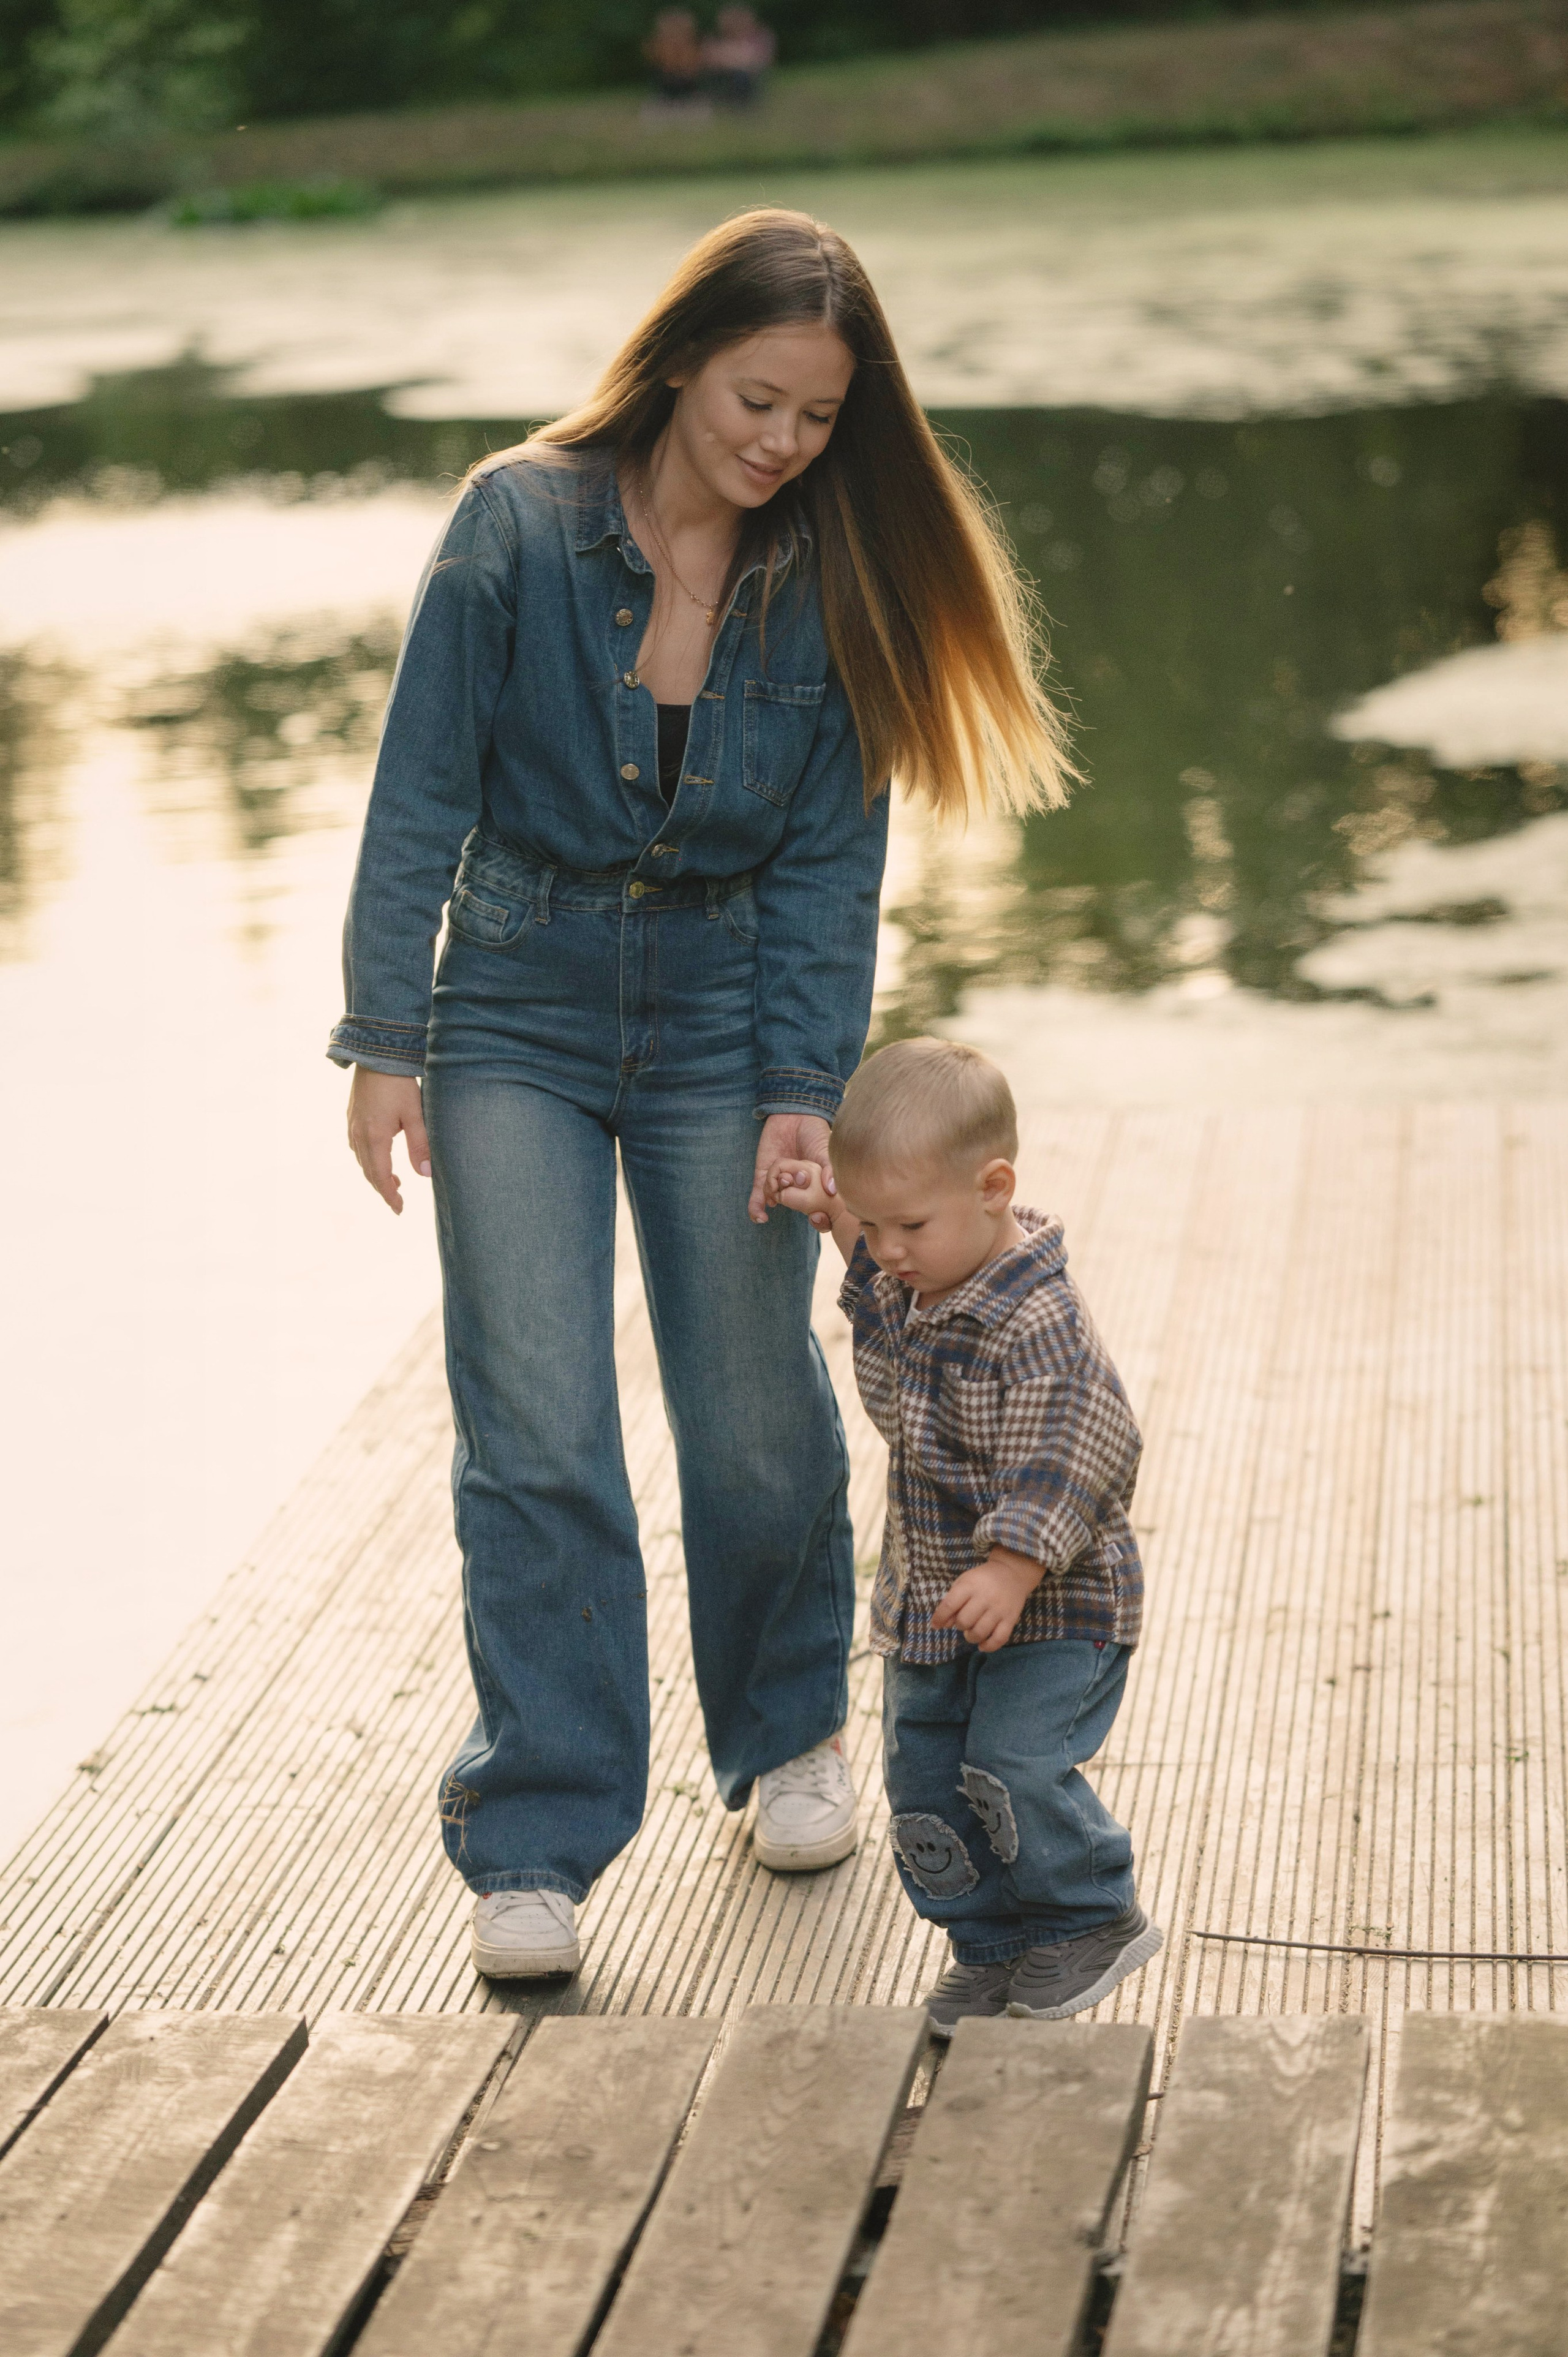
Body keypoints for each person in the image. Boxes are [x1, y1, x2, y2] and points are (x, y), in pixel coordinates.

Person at [330, 208, 1071, 1983]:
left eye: (818, 418)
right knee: (538, 1425)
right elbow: (417, 788)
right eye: (758, 399)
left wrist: (805, 1090)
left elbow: (832, 861)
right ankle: (538, 1837)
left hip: (736, 1016)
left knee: (749, 1411)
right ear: (678, 361)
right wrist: (383, 1044)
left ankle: (786, 1737)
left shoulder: (829, 575)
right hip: (512, 1000)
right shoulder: (513, 526)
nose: (782, 443)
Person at [768, 1038, 1161, 2034]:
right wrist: (833, 1214)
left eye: (910, 1223)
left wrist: (1015, 1562)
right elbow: (874, 1280)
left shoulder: (1038, 1319)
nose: (889, 1248)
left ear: (995, 1188)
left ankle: (1089, 1915)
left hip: (1052, 1601)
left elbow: (1085, 1441)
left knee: (1013, 1765)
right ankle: (990, 1947)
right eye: (877, 1221)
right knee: (928, 1784)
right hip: (934, 1602)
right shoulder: (916, 1282)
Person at [703, 5, 776, 107]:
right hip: (724, 72)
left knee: (741, 75)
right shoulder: (718, 39)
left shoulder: (758, 38)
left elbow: (756, 59)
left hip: (748, 72)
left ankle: (741, 103)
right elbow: (712, 58)